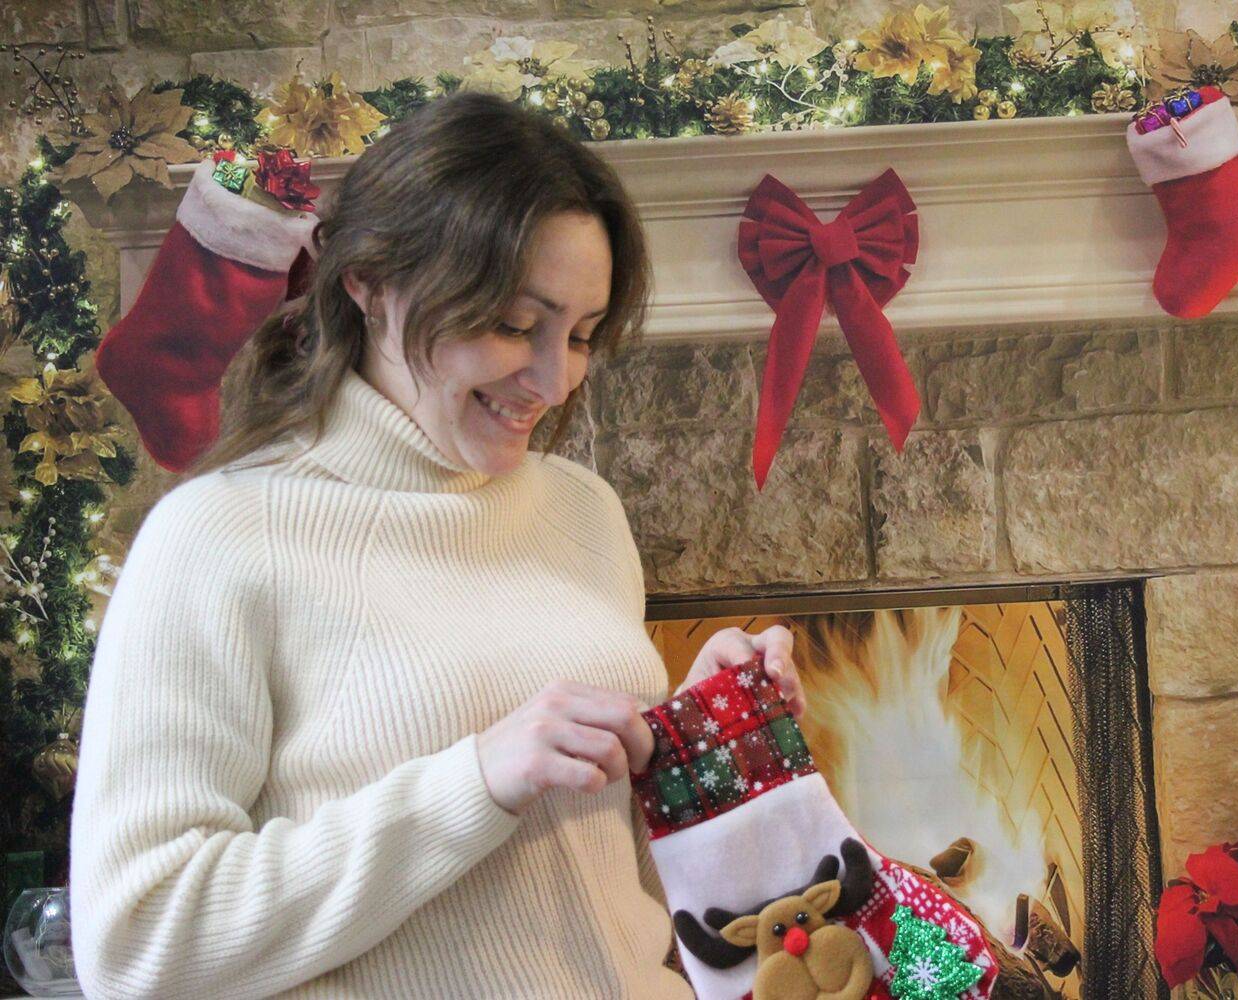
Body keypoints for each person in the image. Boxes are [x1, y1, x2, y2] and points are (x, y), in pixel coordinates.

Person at [69, 91, 807, 998]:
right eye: (512, 325)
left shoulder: (583, 511)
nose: (555, 381)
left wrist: (706, 736)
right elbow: (137, 945)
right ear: (369, 283)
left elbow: (623, 892)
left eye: (581, 336)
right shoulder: (219, 538)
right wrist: (472, 785)